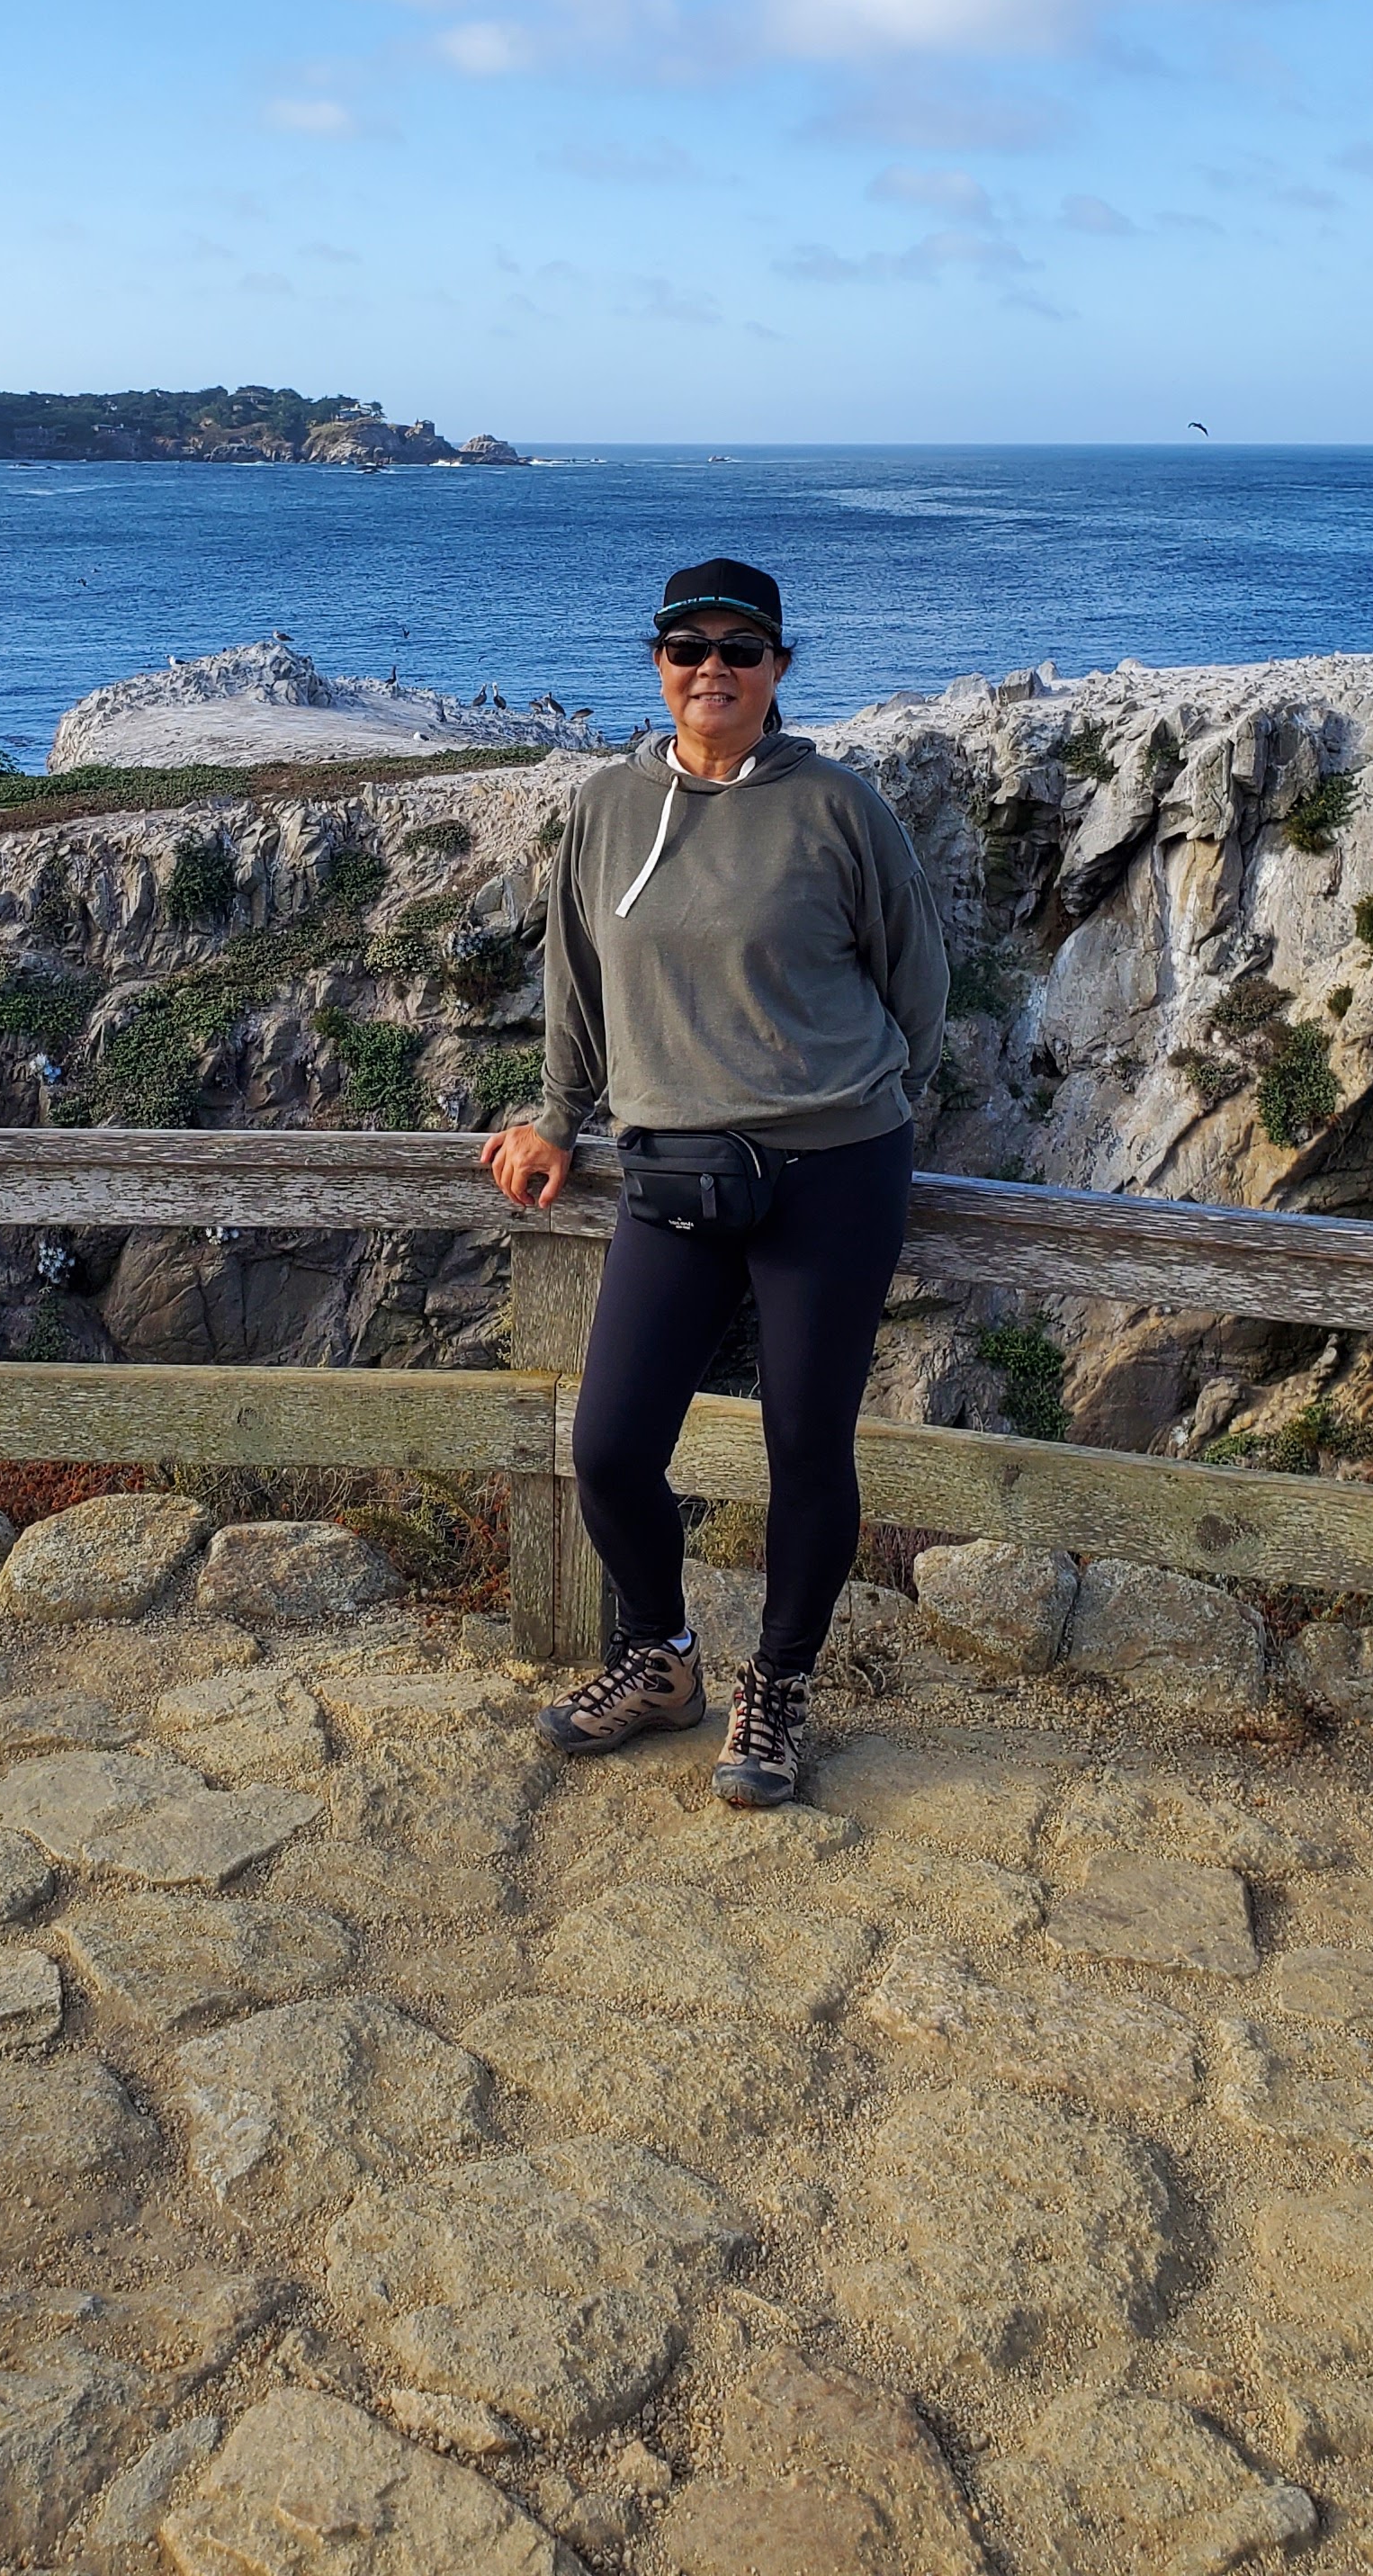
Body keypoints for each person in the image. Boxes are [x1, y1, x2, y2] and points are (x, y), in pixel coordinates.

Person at [481, 557, 947, 1809]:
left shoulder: (840, 808)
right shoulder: (605, 806)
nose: (714, 670)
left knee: (806, 1444)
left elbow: (918, 985)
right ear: (658, 664)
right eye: (689, 648)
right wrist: (556, 1121)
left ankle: (778, 1686)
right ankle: (662, 1658)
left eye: (743, 649)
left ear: (780, 667)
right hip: (673, 1169)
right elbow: (577, 985)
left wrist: (860, 1104)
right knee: (608, 1444)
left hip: (834, 1170)